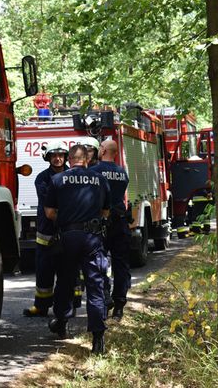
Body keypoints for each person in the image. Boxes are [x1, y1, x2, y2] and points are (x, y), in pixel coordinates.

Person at [44, 144, 111, 354]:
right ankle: (98, 339)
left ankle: (62, 322)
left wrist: (67, 221)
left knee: (65, 281)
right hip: (92, 238)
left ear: (69, 159)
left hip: (68, 237)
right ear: (86, 159)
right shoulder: (100, 179)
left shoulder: (57, 180)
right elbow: (106, 212)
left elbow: (49, 213)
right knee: (95, 285)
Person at [23, 141, 69, 317]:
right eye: (54, 156)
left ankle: (67, 305)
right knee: (44, 270)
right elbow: (51, 205)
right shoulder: (41, 178)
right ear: (48, 158)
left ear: (65, 157)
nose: (57, 159)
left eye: (60, 155)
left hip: (67, 230)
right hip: (46, 232)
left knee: (67, 269)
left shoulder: (71, 175)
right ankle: (41, 306)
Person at [90, 139, 131, 320]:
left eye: (100, 147)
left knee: (100, 262)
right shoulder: (122, 173)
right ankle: (120, 304)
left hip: (102, 222)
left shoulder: (94, 172)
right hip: (121, 223)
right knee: (121, 264)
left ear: (104, 150)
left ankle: (105, 297)